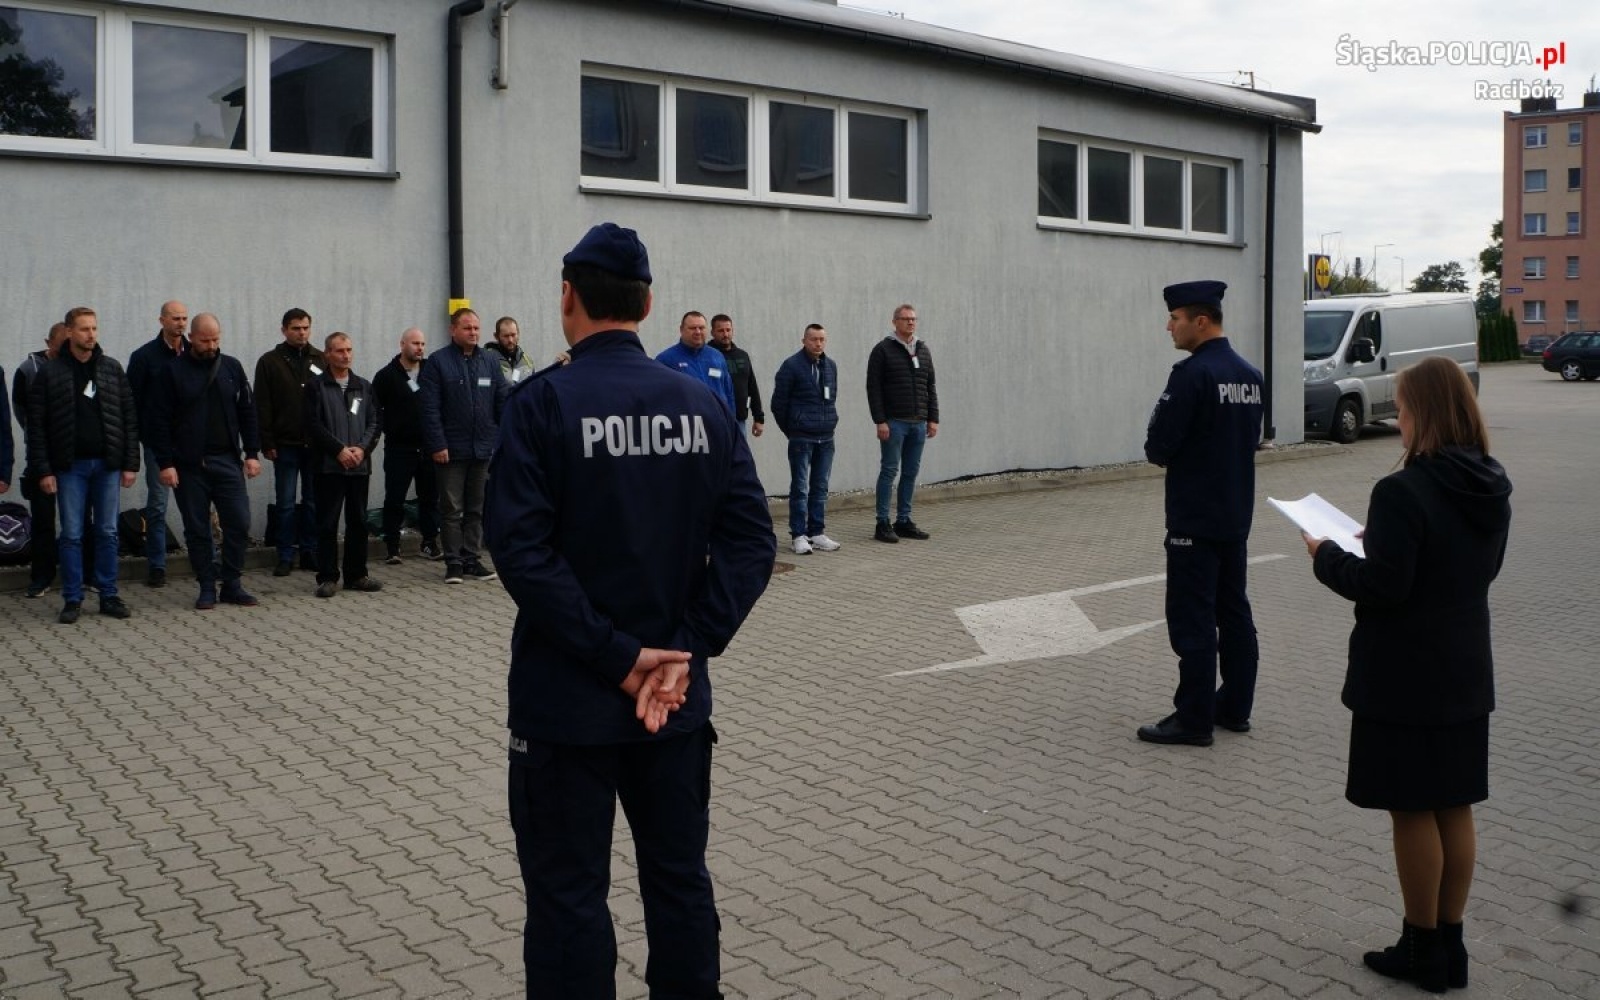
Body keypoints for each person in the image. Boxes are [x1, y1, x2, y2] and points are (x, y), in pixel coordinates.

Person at [487, 222, 775, 998]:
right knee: (679, 885)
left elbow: (521, 552)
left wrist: (618, 658)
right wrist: (685, 649)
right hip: (673, 706)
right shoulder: (701, 406)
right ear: (648, 306)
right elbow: (752, 543)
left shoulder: (541, 404)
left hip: (565, 709)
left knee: (568, 901)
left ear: (567, 298)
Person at [1304, 356, 1510, 992]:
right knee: (1454, 804)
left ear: (1426, 412)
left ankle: (1420, 949)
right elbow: (1466, 567)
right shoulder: (1490, 483)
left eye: (1403, 409)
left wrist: (1328, 555)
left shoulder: (1403, 489)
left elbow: (1385, 588)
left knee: (1413, 810)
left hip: (1404, 676)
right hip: (1464, 670)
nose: (1399, 422)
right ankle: (1450, 945)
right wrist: (1385, 542)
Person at [1136, 280, 1263, 747]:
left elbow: (1158, 445)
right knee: (1234, 612)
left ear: (1201, 321)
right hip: (1235, 516)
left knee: (1193, 619)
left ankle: (1193, 719)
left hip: (1193, 518)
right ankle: (1235, 707)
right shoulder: (1250, 375)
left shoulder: (1192, 375)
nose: (1168, 327)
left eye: (1176, 318)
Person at [25, 307, 140, 624]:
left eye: (94, 328)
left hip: (107, 465)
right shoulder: (51, 373)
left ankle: (108, 594)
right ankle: (72, 599)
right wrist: (44, 469)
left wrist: (131, 463)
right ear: (69, 332)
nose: (91, 334)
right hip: (69, 467)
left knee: (107, 532)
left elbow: (129, 417)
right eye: (84, 329)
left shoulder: (111, 368)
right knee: (72, 534)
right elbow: (37, 426)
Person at [147, 313, 262, 610]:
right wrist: (165, 463)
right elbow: (158, 421)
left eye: (215, 340)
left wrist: (252, 453)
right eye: (204, 340)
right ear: (191, 338)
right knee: (197, 529)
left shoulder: (232, 367)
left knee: (239, 522)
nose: (211, 346)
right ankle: (207, 585)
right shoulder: (172, 372)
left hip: (227, 460)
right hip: (189, 466)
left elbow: (248, 412)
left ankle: (232, 583)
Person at [419, 307, 506, 584]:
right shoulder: (437, 362)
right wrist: (437, 443)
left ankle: (472, 559)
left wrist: (501, 439)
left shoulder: (490, 361)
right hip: (451, 450)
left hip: (483, 448)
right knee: (451, 509)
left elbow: (502, 401)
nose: (473, 333)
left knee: (476, 509)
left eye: (476, 328)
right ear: (453, 330)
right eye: (467, 328)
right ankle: (453, 562)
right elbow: (429, 409)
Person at [305, 332, 382, 598]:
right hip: (329, 467)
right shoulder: (316, 387)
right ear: (327, 354)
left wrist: (362, 449)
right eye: (339, 351)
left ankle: (356, 575)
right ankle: (327, 577)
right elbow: (313, 424)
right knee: (327, 523)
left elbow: (375, 422)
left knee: (358, 521)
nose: (346, 355)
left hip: (359, 467)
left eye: (349, 350)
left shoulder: (364, 387)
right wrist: (338, 450)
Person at [255, 308, 323, 577]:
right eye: (296, 328)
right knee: (285, 502)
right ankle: (284, 555)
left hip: (315, 444)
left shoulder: (320, 359)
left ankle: (309, 551)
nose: (301, 333)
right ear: (284, 330)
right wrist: (267, 441)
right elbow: (262, 404)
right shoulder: (269, 362)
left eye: (305, 328)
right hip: (284, 444)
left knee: (313, 501)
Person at [125, 300, 188, 587]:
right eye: (175, 318)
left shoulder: (194, 353)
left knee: (196, 503)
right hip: (157, 444)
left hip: (190, 443)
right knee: (158, 504)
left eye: (184, 318)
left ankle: (205, 558)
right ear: (162, 320)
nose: (181, 323)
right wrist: (142, 438)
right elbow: (132, 403)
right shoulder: (144, 357)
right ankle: (157, 565)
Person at [866, 303, 939, 543]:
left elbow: (930, 386)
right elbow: (873, 388)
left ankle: (904, 521)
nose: (910, 322)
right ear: (894, 322)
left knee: (910, 472)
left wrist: (933, 418)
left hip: (918, 423)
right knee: (889, 471)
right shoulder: (882, 350)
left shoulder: (923, 350)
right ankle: (882, 523)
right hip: (894, 422)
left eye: (913, 319)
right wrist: (880, 420)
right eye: (906, 318)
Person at [371, 327, 442, 564]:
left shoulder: (431, 371)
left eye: (422, 344)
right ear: (402, 344)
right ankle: (392, 547)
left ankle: (430, 542)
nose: (420, 348)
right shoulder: (386, 376)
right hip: (399, 448)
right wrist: (385, 432)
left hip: (428, 447)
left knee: (429, 498)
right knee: (395, 498)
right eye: (415, 343)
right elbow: (375, 410)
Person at [771, 323, 840, 555]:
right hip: (801, 438)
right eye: (813, 339)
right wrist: (792, 429)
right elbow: (778, 404)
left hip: (826, 437)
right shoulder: (791, 366)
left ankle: (817, 532)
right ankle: (798, 535)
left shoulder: (830, 366)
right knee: (800, 488)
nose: (818, 344)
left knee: (820, 487)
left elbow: (831, 398)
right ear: (804, 341)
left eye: (822, 339)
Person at [13, 322, 70, 598]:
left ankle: (81, 575)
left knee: (79, 520)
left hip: (74, 457)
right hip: (40, 455)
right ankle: (41, 577)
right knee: (43, 519)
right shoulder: (28, 370)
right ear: (49, 342)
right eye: (61, 346)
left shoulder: (81, 368)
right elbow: (21, 411)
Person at [656, 310, 736, 414]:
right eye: (692, 328)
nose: (698, 332)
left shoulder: (717, 356)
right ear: (681, 330)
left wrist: (731, 420)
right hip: (687, 421)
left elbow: (729, 393)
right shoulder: (666, 360)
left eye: (701, 328)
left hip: (718, 420)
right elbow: (658, 398)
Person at [709, 313, 764, 436]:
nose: (725, 334)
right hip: (714, 420)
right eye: (721, 331)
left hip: (739, 421)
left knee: (740, 449)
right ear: (712, 332)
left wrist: (759, 418)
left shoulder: (742, 355)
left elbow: (752, 386)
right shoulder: (706, 356)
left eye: (728, 330)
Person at [485, 315, 537, 384]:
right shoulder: (486, 360)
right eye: (506, 336)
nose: (510, 340)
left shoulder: (527, 362)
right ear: (496, 336)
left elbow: (534, 386)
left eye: (513, 335)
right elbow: (481, 384)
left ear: (518, 334)